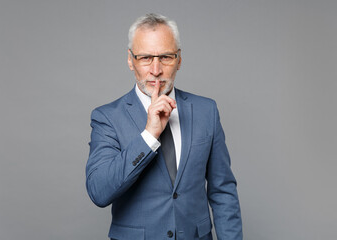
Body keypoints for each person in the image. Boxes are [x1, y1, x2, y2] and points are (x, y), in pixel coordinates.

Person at [86, 13, 242, 240]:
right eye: (145, 58)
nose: (156, 69)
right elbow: (99, 192)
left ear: (179, 59)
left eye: (166, 57)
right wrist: (149, 135)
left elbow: (223, 191)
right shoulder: (107, 117)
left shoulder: (206, 111)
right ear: (130, 60)